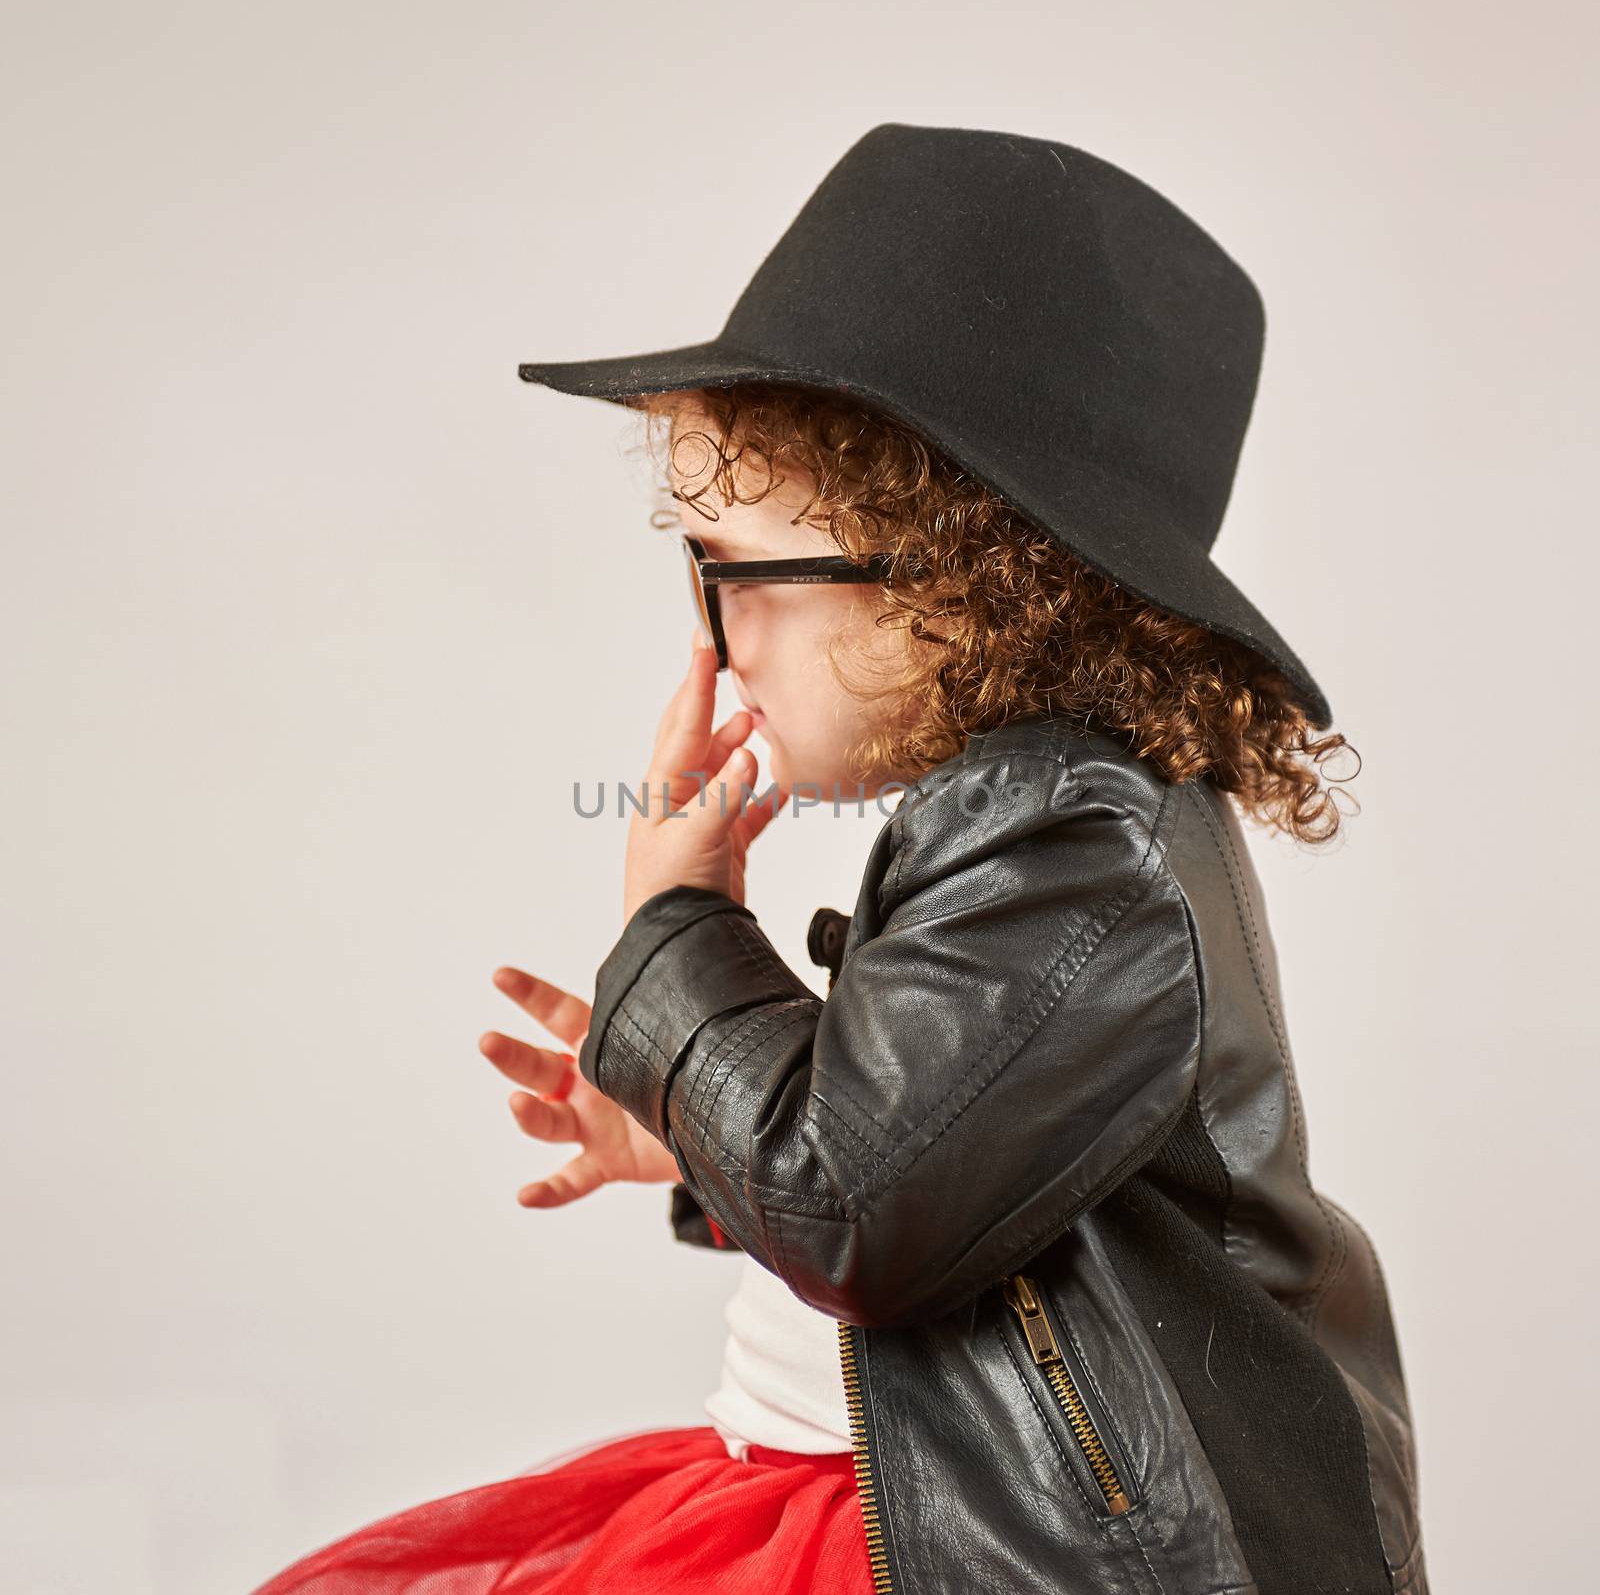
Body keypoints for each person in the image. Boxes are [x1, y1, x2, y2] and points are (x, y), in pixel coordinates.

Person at [252, 124, 1428, 1594]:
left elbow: (857, 1208)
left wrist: (675, 929)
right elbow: (935, 1147)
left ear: (959, 581)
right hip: (865, 1496)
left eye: (725, 564)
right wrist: (695, 1125)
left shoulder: (1077, 845)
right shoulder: (1032, 822)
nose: (707, 630)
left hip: (1000, 1556)